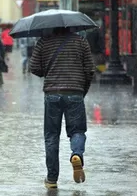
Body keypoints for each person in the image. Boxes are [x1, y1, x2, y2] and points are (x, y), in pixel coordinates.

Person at [30, 27, 95, 189]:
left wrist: (49, 71)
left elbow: (34, 68)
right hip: (75, 92)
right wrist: (82, 89)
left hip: (52, 93)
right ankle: (77, 154)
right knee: (77, 130)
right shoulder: (80, 42)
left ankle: (52, 179)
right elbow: (90, 70)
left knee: (51, 136)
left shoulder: (43, 42)